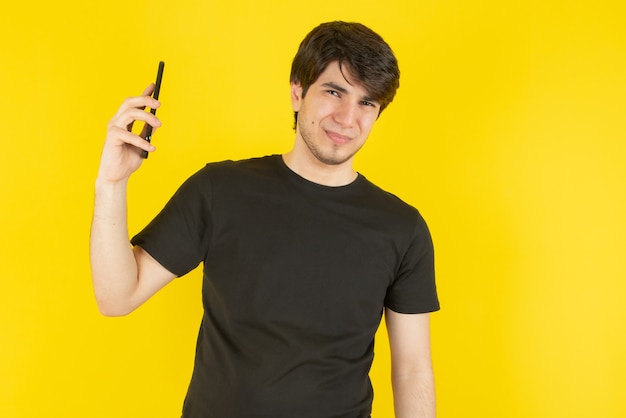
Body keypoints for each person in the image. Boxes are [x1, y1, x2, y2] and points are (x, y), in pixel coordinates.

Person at [90, 21, 439, 418]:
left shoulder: (401, 227)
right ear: (297, 91)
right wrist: (111, 183)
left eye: (366, 103)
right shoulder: (220, 191)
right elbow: (117, 297)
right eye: (333, 91)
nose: (347, 118)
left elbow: (412, 370)